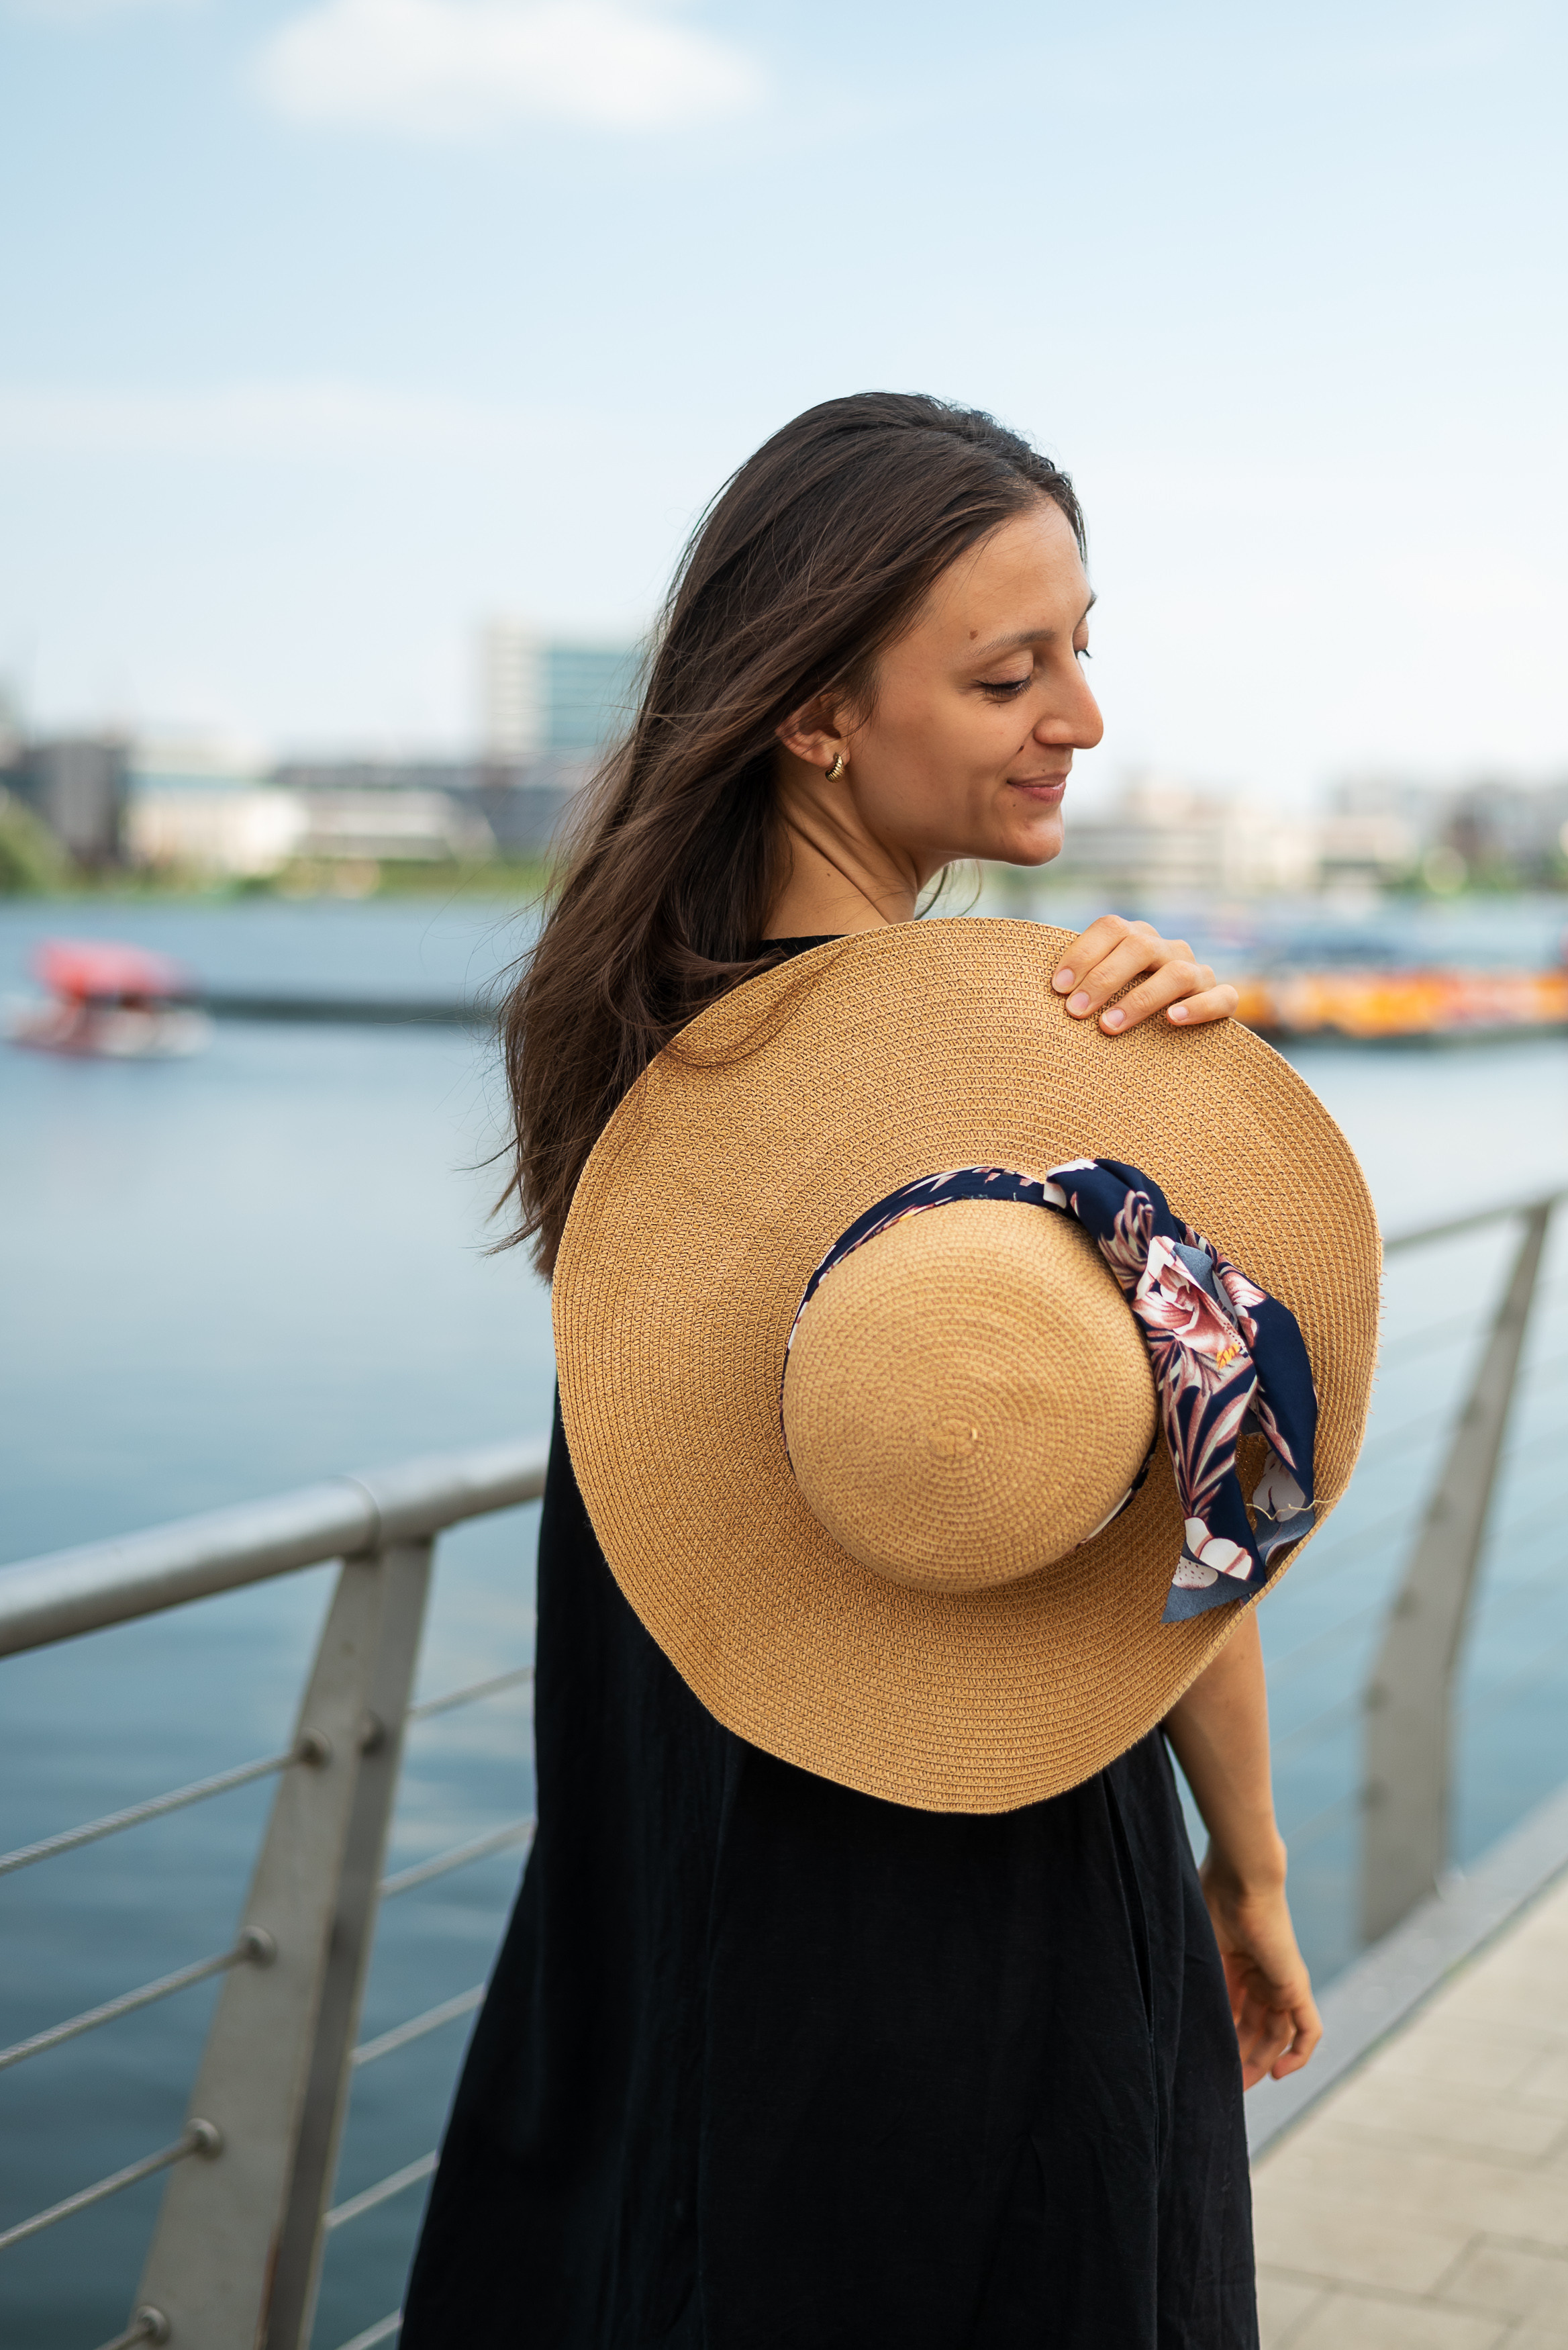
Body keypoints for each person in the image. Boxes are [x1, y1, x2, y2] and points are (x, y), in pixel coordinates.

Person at [401, 394, 1379, 2348]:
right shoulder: (1033, 1076)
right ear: (815, 712)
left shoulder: (657, 1062)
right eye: (1014, 669)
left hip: (668, 1870)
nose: (1083, 718)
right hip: (985, 1889)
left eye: (1087, 645)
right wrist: (1253, 1873)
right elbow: (1185, 1542)